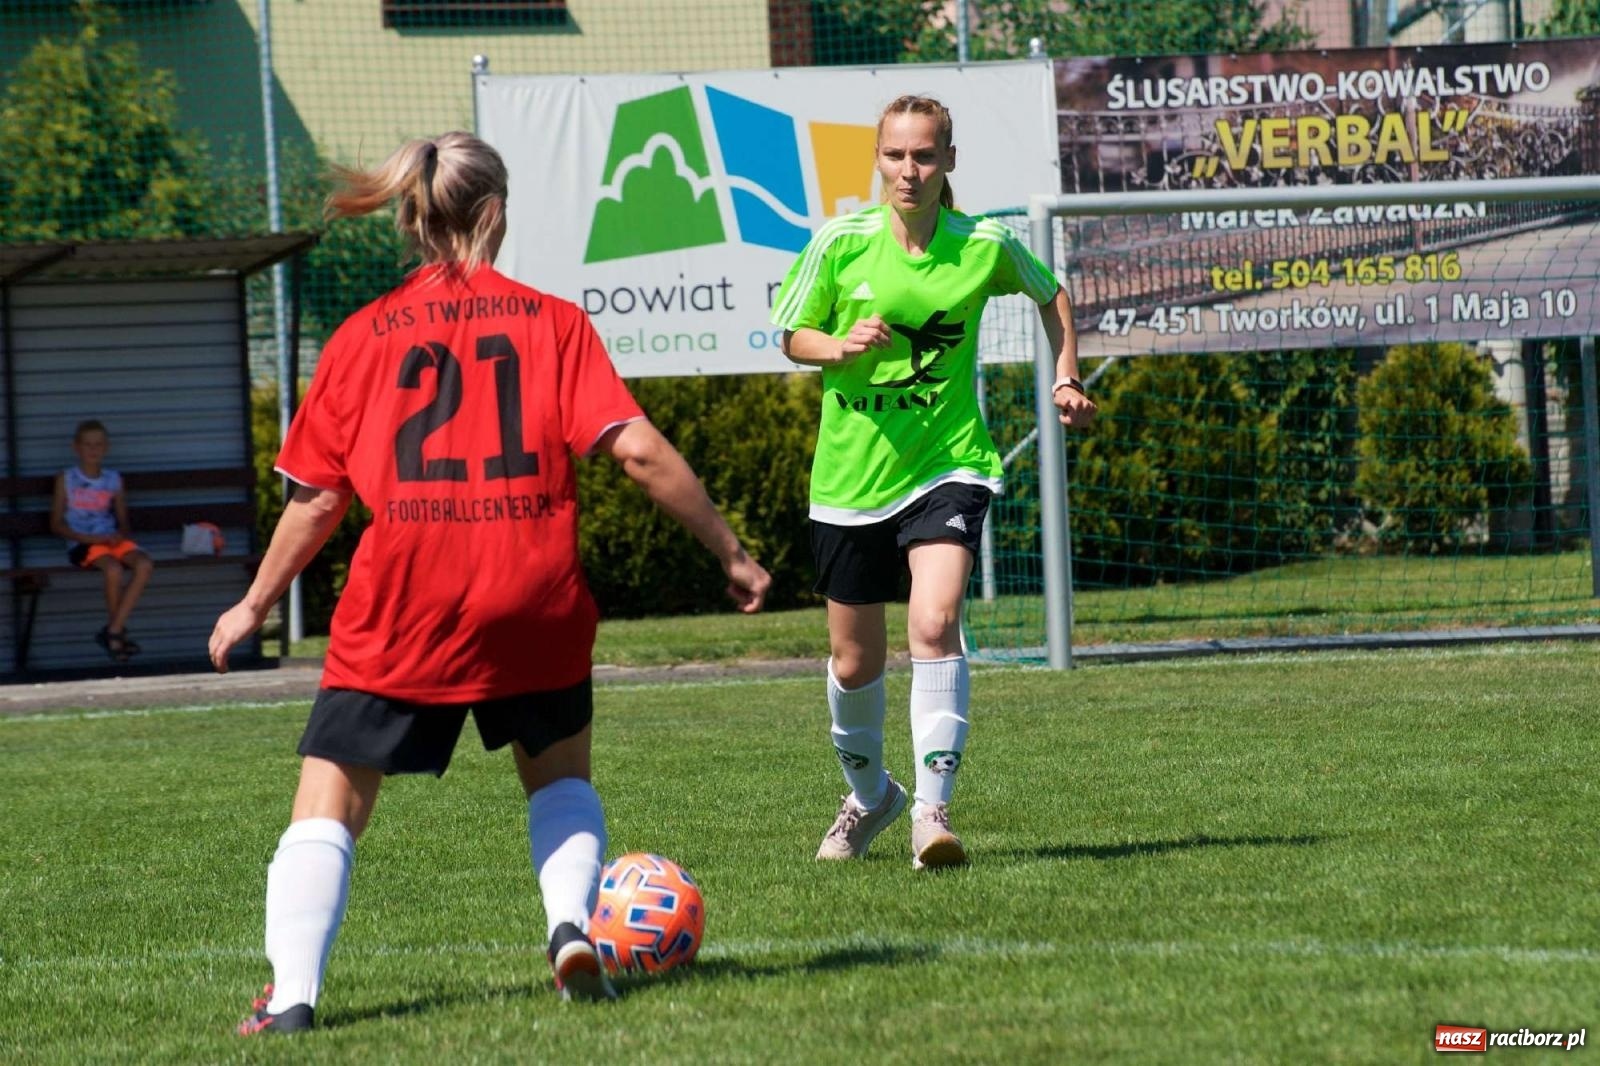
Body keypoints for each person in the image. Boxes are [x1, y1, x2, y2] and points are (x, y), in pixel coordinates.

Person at [209, 131, 772, 1035]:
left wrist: (254, 603)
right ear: (497, 213)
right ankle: (565, 927)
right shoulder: (552, 322)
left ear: (410, 216)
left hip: (404, 603)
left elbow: (316, 504)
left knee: (330, 804)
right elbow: (633, 448)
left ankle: (293, 1000)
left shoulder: (359, 339)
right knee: (557, 783)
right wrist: (729, 551)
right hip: (531, 595)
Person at [770, 95, 1097, 870]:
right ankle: (870, 797)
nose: (908, 170)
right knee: (855, 664)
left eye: (923, 156)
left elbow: (1051, 292)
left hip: (949, 466)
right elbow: (790, 333)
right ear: (877, 160)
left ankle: (931, 812)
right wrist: (840, 346)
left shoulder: (983, 242)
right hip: (850, 479)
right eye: (895, 156)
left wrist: (1065, 373)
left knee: (935, 622)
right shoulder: (841, 243)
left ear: (948, 161)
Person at [50, 419, 154, 662]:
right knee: (114, 570)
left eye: (98, 444)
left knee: (144, 565)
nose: (93, 450)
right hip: (83, 542)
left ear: (106, 447)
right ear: (76, 448)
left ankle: (114, 629)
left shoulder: (113, 479)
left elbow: (122, 520)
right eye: (87, 445)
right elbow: (56, 524)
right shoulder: (66, 479)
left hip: (110, 539)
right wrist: (85, 537)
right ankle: (116, 635)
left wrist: (120, 533)